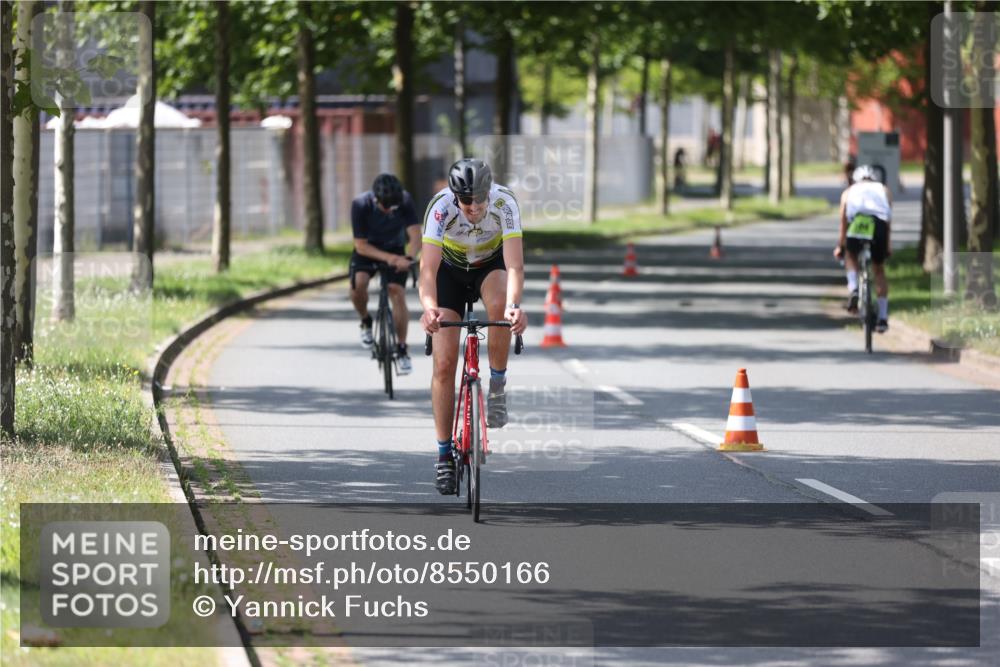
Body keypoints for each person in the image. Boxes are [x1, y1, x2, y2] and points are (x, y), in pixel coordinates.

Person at [418, 158, 528, 494]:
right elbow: (427, 269)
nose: (475, 207)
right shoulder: (440, 208)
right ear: (455, 196)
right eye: (467, 201)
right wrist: (429, 309)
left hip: (488, 266)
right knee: (444, 362)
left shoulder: (504, 202)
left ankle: (496, 386)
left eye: (479, 199)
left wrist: (514, 307)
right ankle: (442, 455)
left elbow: (515, 266)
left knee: (497, 305)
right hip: (449, 273)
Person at [349, 173, 421, 374]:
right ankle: (365, 321)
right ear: (375, 199)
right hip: (368, 251)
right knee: (358, 284)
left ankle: (402, 347)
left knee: (396, 291)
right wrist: (389, 259)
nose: (390, 210)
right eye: (385, 206)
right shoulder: (360, 205)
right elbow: (360, 246)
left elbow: (416, 235)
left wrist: (408, 257)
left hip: (396, 249)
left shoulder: (404, 200)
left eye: (393, 207)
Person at [834, 165, 893, 333]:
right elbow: (888, 220)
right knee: (879, 270)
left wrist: (841, 245)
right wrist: (888, 245)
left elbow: (843, 220)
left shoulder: (849, 191)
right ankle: (882, 317)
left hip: (858, 224)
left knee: (850, 256)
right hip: (878, 226)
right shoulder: (884, 190)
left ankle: (853, 288)